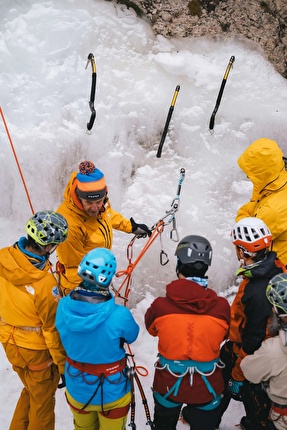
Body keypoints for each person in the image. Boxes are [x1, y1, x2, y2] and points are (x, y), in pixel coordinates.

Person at [144, 235, 230, 430]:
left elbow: (152, 330)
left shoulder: (161, 307)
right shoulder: (221, 308)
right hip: (207, 386)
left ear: (179, 265)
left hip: (168, 383)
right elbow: (224, 335)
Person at [55, 247, 140, 430]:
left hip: (77, 388)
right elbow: (132, 336)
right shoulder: (120, 315)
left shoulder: (62, 307)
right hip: (113, 392)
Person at [0, 210, 68, 430]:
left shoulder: (3, 258)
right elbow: (52, 331)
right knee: (43, 405)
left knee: (30, 391)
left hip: (10, 343)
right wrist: (63, 365)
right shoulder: (45, 286)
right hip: (36, 352)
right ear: (48, 247)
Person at [217, 217, 287, 430]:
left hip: (251, 352)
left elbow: (253, 337)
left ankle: (212, 417)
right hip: (267, 346)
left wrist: (238, 374)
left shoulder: (256, 291)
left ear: (241, 250)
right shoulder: (277, 267)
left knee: (247, 389)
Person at [56, 160, 151, 295]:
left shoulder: (101, 204)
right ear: (78, 196)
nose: (95, 208)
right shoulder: (70, 226)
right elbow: (75, 267)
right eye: (89, 202)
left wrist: (131, 227)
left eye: (98, 202)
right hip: (79, 285)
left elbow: (107, 214)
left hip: (97, 272)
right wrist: (96, 287)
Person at [241, 272, 287, 430]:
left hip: (283, 420)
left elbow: (248, 371)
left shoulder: (274, 349)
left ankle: (257, 422)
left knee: (250, 385)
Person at [236, 138, 287, 265]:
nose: (248, 177)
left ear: (264, 174)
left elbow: (246, 234)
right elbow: (254, 205)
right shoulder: (277, 184)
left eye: (252, 173)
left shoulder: (273, 210)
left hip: (274, 273)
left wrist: (244, 215)